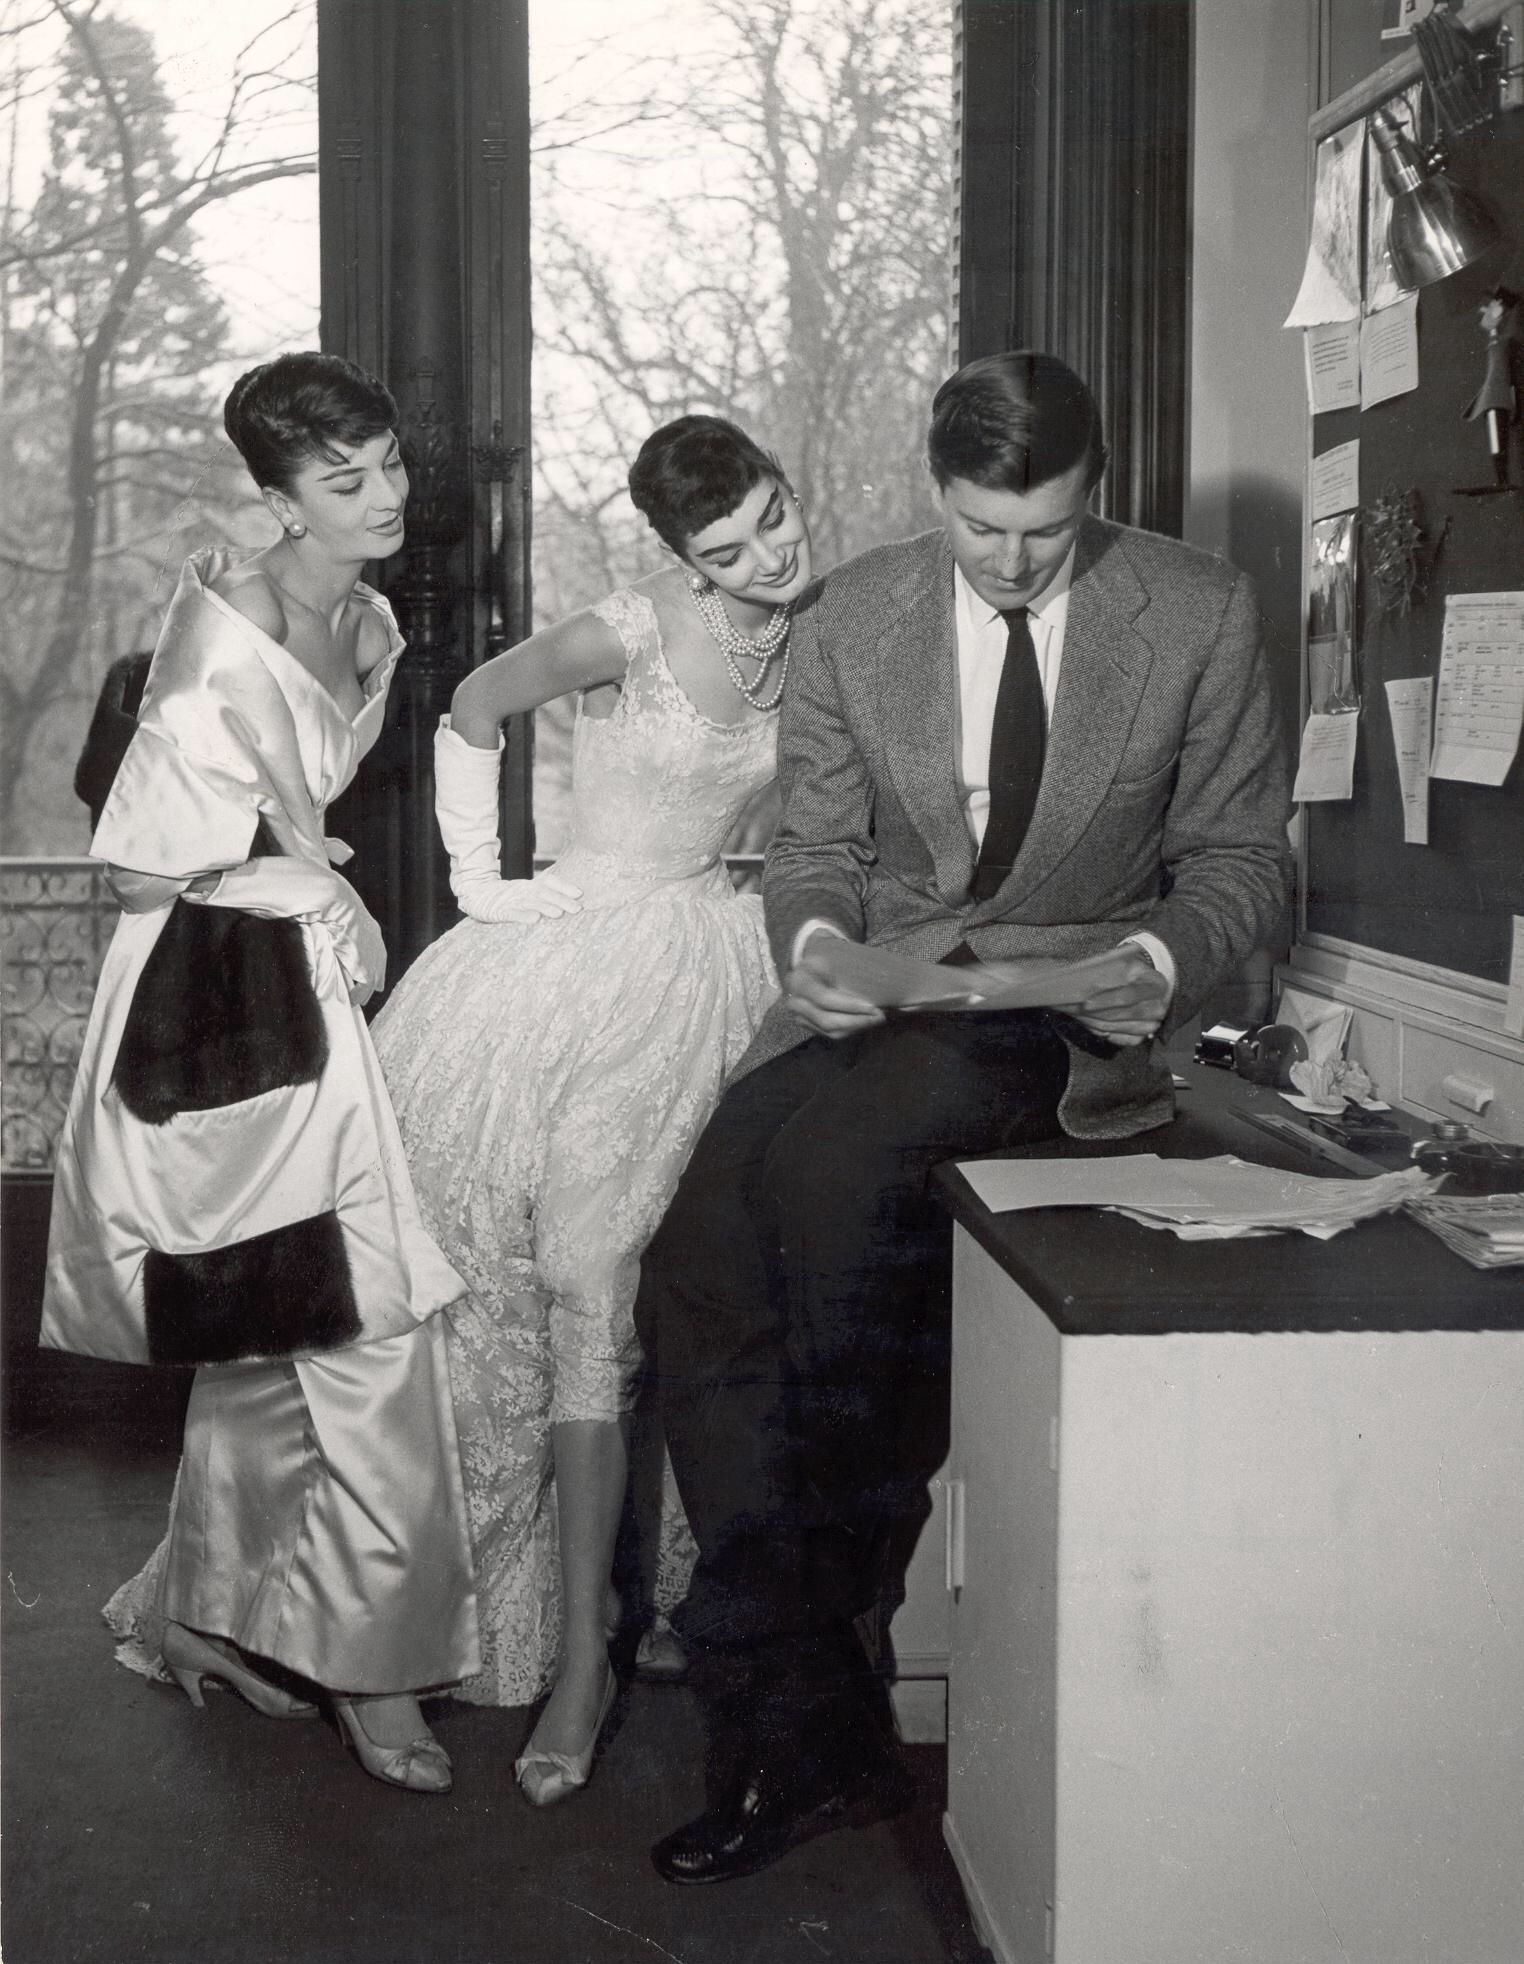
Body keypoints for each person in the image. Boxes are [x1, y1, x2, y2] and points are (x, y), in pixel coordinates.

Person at [636, 350, 1293, 1883]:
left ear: (1096, 492)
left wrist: (1156, 964)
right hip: (875, 1000)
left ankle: (794, 1725)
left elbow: (1242, 863)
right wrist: (815, 945)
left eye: (1043, 534)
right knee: (695, 1254)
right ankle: (809, 1707)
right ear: (937, 491)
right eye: (979, 528)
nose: (1008, 561)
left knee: (833, 1184)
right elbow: (813, 848)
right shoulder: (853, 613)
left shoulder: (1195, 609)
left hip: (1059, 1017)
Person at [42, 352, 480, 1795]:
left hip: (298, 983)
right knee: (366, 1325)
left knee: (291, 1319)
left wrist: (316, 892)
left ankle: (201, 1612)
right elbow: (136, 869)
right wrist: (306, 885)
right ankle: (377, 1668)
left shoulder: (368, 612)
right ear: (279, 500)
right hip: (213, 996)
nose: (385, 497)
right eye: (344, 481)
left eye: (390, 464)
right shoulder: (231, 619)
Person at [369, 415, 808, 1806]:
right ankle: (566, 1647)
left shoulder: (829, 636)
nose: (764, 560)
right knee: (552, 1278)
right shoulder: (628, 628)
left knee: (664, 1283)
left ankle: (628, 1623)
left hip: (720, 963)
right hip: (575, 955)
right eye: (724, 551)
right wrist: (481, 883)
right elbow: (472, 702)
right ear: (679, 556)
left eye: (774, 520)